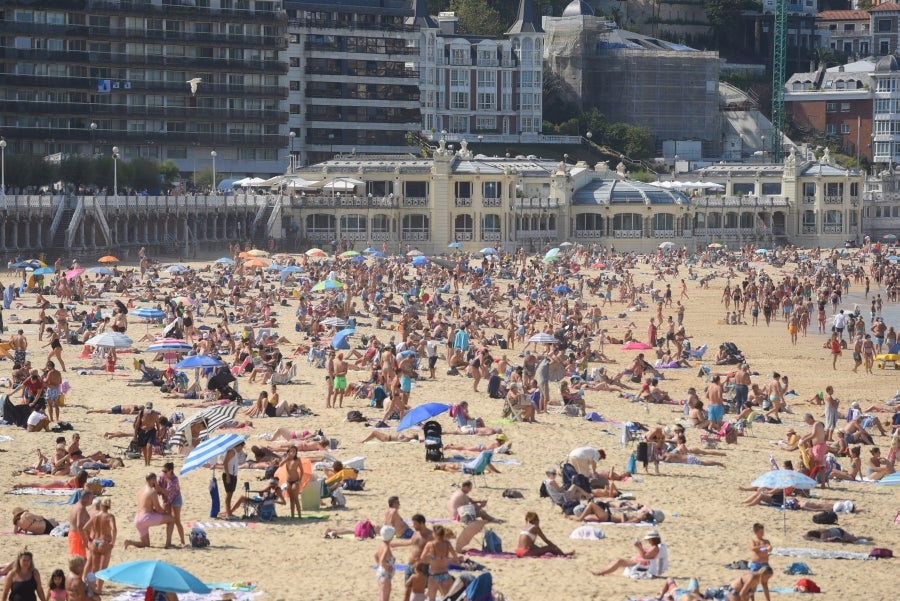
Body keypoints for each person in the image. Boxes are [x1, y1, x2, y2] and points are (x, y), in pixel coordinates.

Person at [123, 472, 174, 549]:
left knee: (146, 544)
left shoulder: (140, 491)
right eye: (155, 480)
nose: (156, 482)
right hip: (146, 518)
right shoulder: (152, 492)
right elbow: (158, 509)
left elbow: (145, 506)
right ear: (152, 480)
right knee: (171, 519)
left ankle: (129, 542)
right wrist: (166, 513)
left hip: (137, 519)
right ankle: (168, 544)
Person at [592, 530, 662, 576]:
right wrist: (640, 546)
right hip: (638, 561)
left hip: (640, 563)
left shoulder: (655, 548)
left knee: (618, 561)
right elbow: (645, 554)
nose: (648, 541)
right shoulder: (653, 547)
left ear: (653, 539)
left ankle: (601, 572)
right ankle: (603, 571)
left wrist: (638, 547)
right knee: (617, 560)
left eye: (649, 539)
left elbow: (644, 557)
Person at [83, 498, 116, 591]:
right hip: (104, 542)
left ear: (101, 505)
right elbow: (113, 529)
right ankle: (99, 589)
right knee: (103, 568)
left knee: (94, 567)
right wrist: (112, 542)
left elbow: (85, 528)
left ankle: (92, 587)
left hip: (95, 542)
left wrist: (89, 538)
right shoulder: (110, 517)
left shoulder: (96, 516)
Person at [421, 525, 458, 601]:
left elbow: (422, 558)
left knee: (432, 599)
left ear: (434, 533)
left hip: (434, 575)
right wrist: (446, 559)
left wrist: (431, 558)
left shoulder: (430, 544)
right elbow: (455, 558)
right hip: (445, 574)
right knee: (447, 598)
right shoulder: (447, 544)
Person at [157, 462, 185, 547]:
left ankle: (183, 541)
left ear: (171, 471)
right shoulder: (161, 477)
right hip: (167, 498)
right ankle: (168, 541)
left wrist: (160, 489)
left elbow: (168, 492)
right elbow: (158, 490)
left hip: (176, 498)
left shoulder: (175, 479)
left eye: (165, 471)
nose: (163, 473)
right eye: (163, 471)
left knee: (177, 521)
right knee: (169, 521)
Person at [221, 441, 246, 520]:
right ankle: (228, 514)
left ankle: (229, 513)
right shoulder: (231, 451)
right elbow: (225, 463)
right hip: (229, 474)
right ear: (239, 445)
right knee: (229, 495)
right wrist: (228, 476)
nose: (241, 449)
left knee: (230, 494)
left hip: (233, 475)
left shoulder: (234, 452)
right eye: (242, 447)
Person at [279, 445, 304, 519]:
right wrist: (286, 458)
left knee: (296, 498)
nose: (293, 453)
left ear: (296, 452)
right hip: (288, 481)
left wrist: (300, 480)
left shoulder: (298, 460)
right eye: (291, 451)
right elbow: (280, 465)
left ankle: (299, 516)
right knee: (291, 499)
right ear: (288, 452)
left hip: (295, 481)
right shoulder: (286, 459)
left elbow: (302, 471)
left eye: (294, 451)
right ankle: (292, 516)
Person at [68, 489, 94, 559]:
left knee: (80, 560)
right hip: (77, 536)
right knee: (78, 560)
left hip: (75, 535)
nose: (92, 500)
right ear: (87, 498)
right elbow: (79, 525)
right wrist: (84, 540)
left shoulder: (77, 505)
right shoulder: (81, 508)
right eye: (91, 498)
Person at [134, 402, 160, 467]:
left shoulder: (155, 414)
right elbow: (137, 425)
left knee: (149, 446)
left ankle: (148, 462)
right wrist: (135, 435)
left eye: (150, 408)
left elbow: (158, 425)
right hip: (142, 431)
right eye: (147, 408)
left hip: (151, 431)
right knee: (143, 448)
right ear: (145, 407)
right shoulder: (141, 413)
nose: (149, 409)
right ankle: (146, 461)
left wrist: (159, 434)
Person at [374, 525, 395, 601]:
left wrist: (380, 566)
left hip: (381, 572)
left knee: (381, 596)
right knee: (385, 598)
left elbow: (376, 555)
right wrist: (386, 568)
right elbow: (382, 559)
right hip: (385, 575)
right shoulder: (386, 547)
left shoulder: (381, 544)